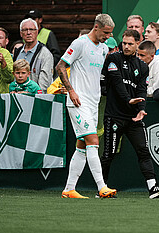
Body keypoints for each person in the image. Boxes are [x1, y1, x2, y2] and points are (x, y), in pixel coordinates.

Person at [101, 29, 159, 199]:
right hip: (114, 115)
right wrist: (127, 100)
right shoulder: (113, 58)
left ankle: (153, 188)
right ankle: (101, 188)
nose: (125, 46)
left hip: (133, 117)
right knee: (108, 154)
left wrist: (141, 109)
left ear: (137, 43)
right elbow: (117, 84)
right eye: (124, 43)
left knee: (143, 151)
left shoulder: (142, 66)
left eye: (130, 44)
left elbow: (142, 90)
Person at [56, 14, 117, 199]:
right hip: (78, 101)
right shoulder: (79, 43)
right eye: (105, 32)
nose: (107, 36)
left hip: (93, 103)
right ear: (96, 27)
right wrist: (71, 91)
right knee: (93, 142)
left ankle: (69, 189)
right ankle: (102, 187)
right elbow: (60, 66)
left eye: (110, 33)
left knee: (82, 146)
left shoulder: (104, 48)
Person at [13, 18, 54, 93]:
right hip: (17, 99)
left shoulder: (45, 54)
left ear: (37, 32)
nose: (28, 33)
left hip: (35, 100)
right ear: (21, 33)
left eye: (32, 29)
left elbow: (44, 84)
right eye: (25, 30)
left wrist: (31, 95)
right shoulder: (17, 52)